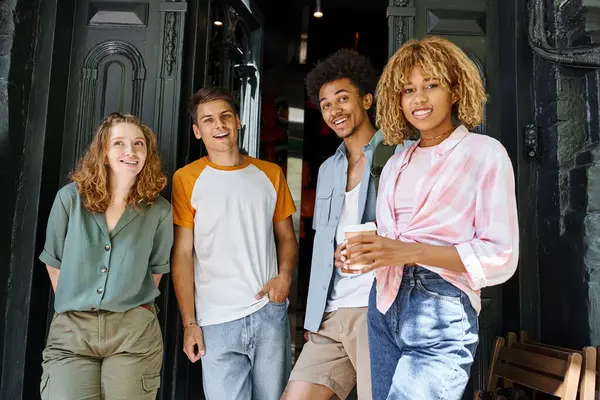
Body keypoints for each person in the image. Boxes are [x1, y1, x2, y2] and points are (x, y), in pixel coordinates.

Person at [339, 36, 519, 399]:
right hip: (384, 304)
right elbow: (390, 246)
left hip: (441, 308)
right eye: (408, 90)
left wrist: (410, 252)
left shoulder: (483, 154)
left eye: (431, 85)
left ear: (455, 91)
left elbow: (500, 254)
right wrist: (357, 256)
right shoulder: (395, 164)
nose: (418, 99)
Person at [282, 49, 411, 400]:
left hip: (379, 309)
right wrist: (314, 318)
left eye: (342, 98)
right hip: (332, 313)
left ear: (366, 99)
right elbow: (324, 246)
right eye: (325, 105)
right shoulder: (328, 170)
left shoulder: (400, 154)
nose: (334, 111)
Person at [170, 87, 298, 400]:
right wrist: (190, 323)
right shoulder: (186, 179)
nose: (220, 125)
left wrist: (284, 279)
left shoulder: (270, 174)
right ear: (197, 131)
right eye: (209, 120)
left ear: (238, 120)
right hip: (215, 319)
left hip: (268, 310)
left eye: (226, 116)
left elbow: (286, 238)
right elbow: (183, 253)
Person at [39, 112, 173, 399]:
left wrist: (130, 306)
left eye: (138, 144)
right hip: (72, 332)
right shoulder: (69, 199)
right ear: (103, 152)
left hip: (133, 333)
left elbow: (156, 270)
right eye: (119, 143)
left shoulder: (159, 210)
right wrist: (77, 302)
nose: (130, 151)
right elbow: (54, 261)